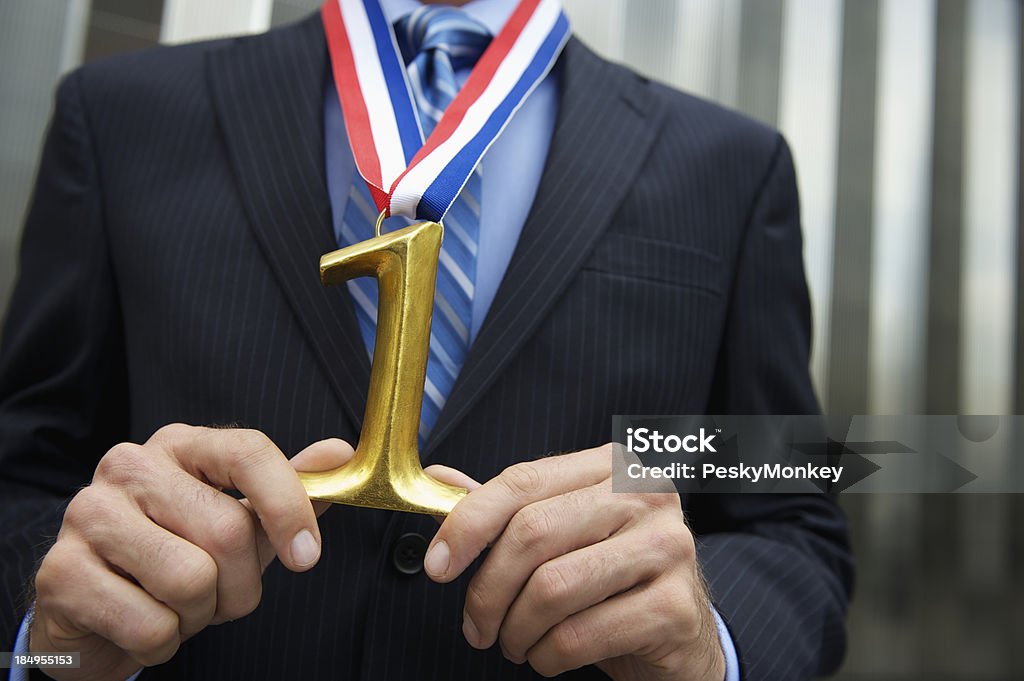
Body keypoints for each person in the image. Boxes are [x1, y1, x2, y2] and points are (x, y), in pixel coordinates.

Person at [0, 0, 853, 679]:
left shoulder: (731, 165)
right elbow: (24, 468)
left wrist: (713, 645)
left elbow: (787, 504)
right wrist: (50, 640)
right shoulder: (121, 115)